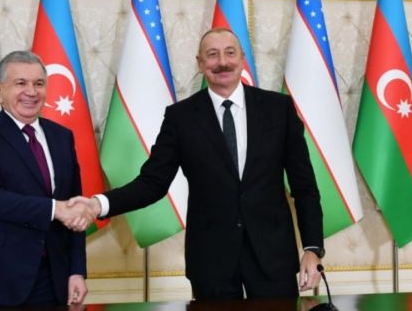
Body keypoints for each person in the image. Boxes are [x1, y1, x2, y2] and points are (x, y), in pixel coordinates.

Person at [71, 27, 324, 300]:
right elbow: (152, 183)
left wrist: (312, 248)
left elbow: (304, 187)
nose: (222, 62)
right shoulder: (180, 118)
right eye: (212, 55)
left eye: (230, 53)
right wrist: (98, 204)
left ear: (242, 59)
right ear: (200, 63)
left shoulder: (279, 109)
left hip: (273, 256)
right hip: (211, 260)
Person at [0, 50, 93, 307]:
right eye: (21, 83)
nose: (31, 92)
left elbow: (74, 206)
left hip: (53, 279)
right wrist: (54, 209)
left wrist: (76, 271)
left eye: (39, 84)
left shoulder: (62, 136)